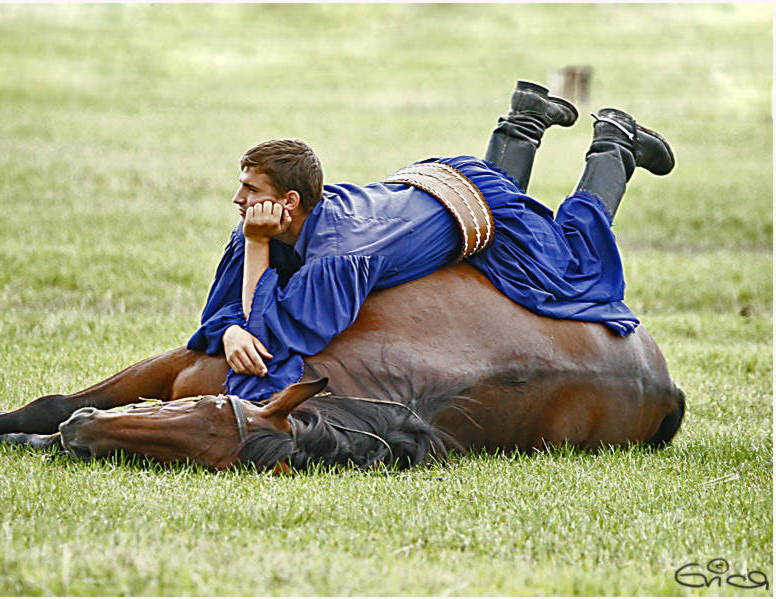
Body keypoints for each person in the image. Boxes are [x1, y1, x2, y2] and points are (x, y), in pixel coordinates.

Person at [187, 80, 675, 401]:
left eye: (250, 190)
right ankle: (524, 118)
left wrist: (256, 250)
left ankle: (614, 144)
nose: (237, 199)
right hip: (437, 185)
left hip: (477, 207)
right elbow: (230, 318)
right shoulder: (269, 221)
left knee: (572, 265)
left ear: (289, 202)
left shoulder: (337, 256)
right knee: (488, 219)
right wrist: (229, 329)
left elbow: (272, 340)